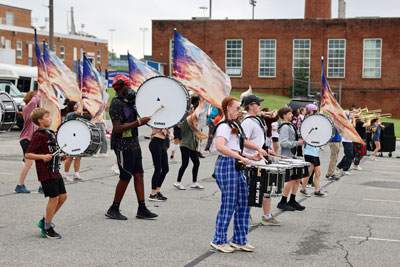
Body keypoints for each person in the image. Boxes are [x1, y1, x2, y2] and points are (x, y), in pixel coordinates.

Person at [210, 96, 267, 253]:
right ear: (228, 108)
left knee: (244, 203)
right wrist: (241, 157)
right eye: (236, 108)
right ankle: (219, 240)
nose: (239, 110)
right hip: (227, 164)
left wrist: (250, 156)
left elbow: (235, 148)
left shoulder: (234, 125)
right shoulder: (223, 126)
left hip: (236, 163)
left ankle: (239, 239)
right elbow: (220, 147)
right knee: (229, 204)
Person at [105, 75, 157, 220]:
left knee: (139, 174)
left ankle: (142, 208)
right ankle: (113, 208)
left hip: (134, 143)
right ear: (122, 87)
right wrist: (139, 122)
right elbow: (117, 128)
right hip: (122, 145)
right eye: (129, 85)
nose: (131, 88)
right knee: (125, 175)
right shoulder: (116, 103)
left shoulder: (129, 101)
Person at [25, 108, 68, 239]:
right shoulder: (38, 135)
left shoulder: (50, 134)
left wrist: (60, 157)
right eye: (47, 117)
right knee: (54, 198)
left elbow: (51, 152)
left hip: (55, 170)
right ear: (40, 120)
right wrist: (42, 157)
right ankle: (47, 228)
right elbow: (28, 154)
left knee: (63, 197)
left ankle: (45, 221)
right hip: (46, 172)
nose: (50, 119)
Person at [241, 95, 281, 226]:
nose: (260, 106)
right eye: (257, 104)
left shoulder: (256, 120)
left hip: (261, 160)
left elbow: (257, 140)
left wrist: (265, 149)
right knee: (252, 190)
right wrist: (258, 148)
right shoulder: (247, 122)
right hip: (252, 161)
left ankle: (267, 216)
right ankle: (246, 215)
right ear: (250, 106)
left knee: (265, 189)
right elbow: (243, 141)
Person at [276, 107, 305, 212]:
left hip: (293, 156)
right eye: (289, 113)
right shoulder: (284, 127)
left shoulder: (290, 125)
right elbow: (283, 143)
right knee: (291, 180)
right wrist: (298, 143)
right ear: (284, 115)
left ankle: (292, 200)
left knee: (298, 178)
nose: (292, 115)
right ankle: (283, 201)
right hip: (287, 157)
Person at [174, 97, 204, 190]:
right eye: (191, 109)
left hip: (191, 145)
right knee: (185, 163)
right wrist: (201, 103)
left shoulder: (191, 120)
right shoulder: (187, 120)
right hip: (185, 145)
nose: (192, 111)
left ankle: (194, 182)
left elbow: (195, 130)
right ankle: (178, 182)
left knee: (196, 163)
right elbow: (195, 115)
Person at [15, 91, 42, 194]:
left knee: (40, 162)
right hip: (26, 139)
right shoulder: (27, 109)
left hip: (33, 140)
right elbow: (32, 102)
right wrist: (39, 93)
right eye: (37, 98)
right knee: (29, 163)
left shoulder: (36, 111)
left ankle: (42, 186)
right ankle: (20, 185)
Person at [62, 100, 86, 182]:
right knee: (70, 156)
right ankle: (65, 174)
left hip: (76, 138)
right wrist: (82, 103)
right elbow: (78, 112)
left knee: (78, 157)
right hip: (70, 138)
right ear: (72, 107)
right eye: (76, 105)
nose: (77, 106)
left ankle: (76, 174)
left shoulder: (76, 115)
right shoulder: (70, 114)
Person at [148, 127, 169, 201]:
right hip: (155, 143)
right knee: (158, 169)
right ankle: (152, 194)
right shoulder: (157, 118)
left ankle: (157, 190)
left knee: (165, 169)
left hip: (162, 142)